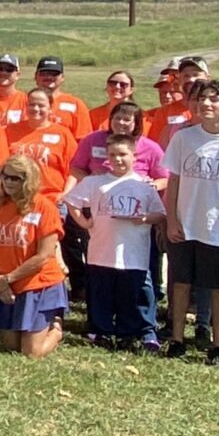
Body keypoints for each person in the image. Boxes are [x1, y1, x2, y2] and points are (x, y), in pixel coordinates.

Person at [162, 80, 219, 363]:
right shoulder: (184, 138)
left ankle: (217, 344)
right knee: (181, 283)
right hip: (186, 223)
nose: (206, 104)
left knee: (217, 287)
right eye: (202, 98)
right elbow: (174, 180)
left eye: (214, 99)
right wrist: (172, 219)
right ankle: (177, 339)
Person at [61, 135, 164, 350]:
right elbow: (72, 200)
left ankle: (128, 331)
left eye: (123, 154)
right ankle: (101, 330)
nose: (118, 159)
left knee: (130, 293)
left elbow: (160, 214)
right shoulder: (95, 182)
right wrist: (83, 221)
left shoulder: (143, 185)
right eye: (112, 155)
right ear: (106, 157)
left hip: (133, 252)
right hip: (101, 251)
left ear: (134, 156)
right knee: (101, 292)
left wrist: (144, 219)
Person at [0, 153, 67, 358]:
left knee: (31, 353)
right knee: (10, 346)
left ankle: (56, 329)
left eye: (15, 178)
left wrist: (9, 278)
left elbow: (44, 256)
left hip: (37, 283)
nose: (8, 182)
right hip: (5, 285)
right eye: (5, 176)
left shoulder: (45, 207)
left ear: (28, 180)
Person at [1, 88, 74, 197]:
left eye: (41, 105)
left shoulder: (63, 134)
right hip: (16, 197)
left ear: (50, 108)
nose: (35, 108)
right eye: (32, 104)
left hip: (51, 198)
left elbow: (74, 171)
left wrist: (65, 194)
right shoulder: (9, 131)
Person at [31, 57, 92, 137]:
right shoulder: (25, 102)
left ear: (62, 77)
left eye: (54, 73)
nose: (49, 77)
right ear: (36, 76)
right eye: (44, 73)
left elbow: (83, 139)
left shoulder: (76, 105)